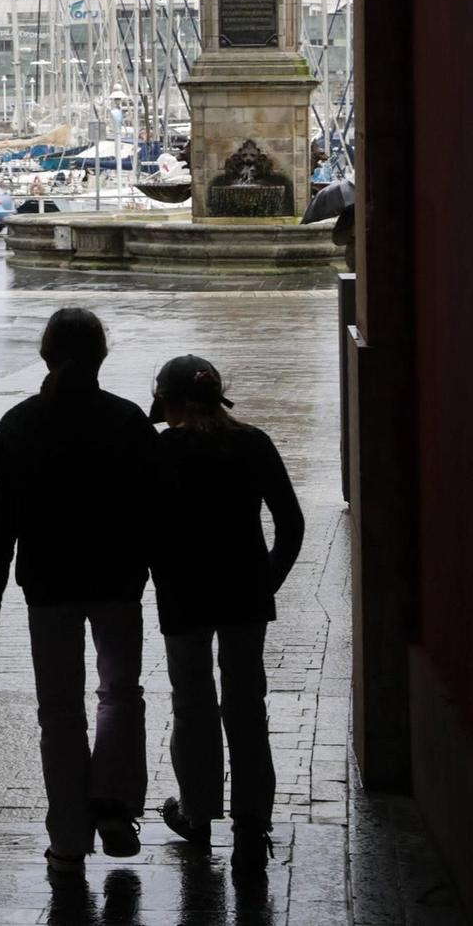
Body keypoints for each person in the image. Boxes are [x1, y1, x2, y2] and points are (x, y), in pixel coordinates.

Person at [0, 307, 160, 874]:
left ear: (46, 355)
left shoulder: (19, 424)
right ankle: (113, 807)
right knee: (120, 692)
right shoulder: (129, 421)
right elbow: (152, 511)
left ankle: (67, 836)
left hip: (49, 583)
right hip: (117, 579)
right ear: (101, 356)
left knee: (58, 711)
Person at [147, 355, 304, 872]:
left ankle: (196, 815)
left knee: (192, 706)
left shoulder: (162, 450)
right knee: (246, 707)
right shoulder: (252, 442)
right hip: (244, 598)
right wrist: (267, 582)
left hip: (184, 597)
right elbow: (291, 524)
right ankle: (251, 826)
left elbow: (137, 527)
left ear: (169, 402)